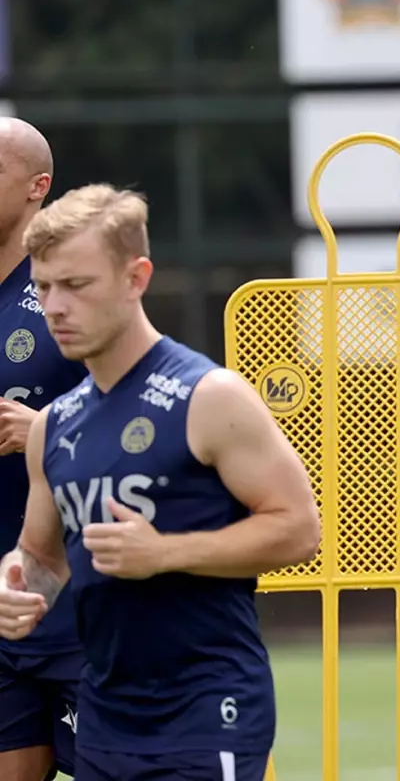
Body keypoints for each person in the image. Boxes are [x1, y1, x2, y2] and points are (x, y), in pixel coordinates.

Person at [0, 184, 321, 781]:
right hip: (105, 711)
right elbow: (39, 558)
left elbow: (300, 529)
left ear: (136, 278)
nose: (55, 307)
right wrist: (14, 584)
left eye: (76, 285)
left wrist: (166, 553)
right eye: (43, 287)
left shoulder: (211, 396)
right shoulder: (53, 426)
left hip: (206, 706)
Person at [0, 118, 88, 781]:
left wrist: (46, 431)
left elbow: (142, 422)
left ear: (38, 186)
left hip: (80, 608)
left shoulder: (72, 292)